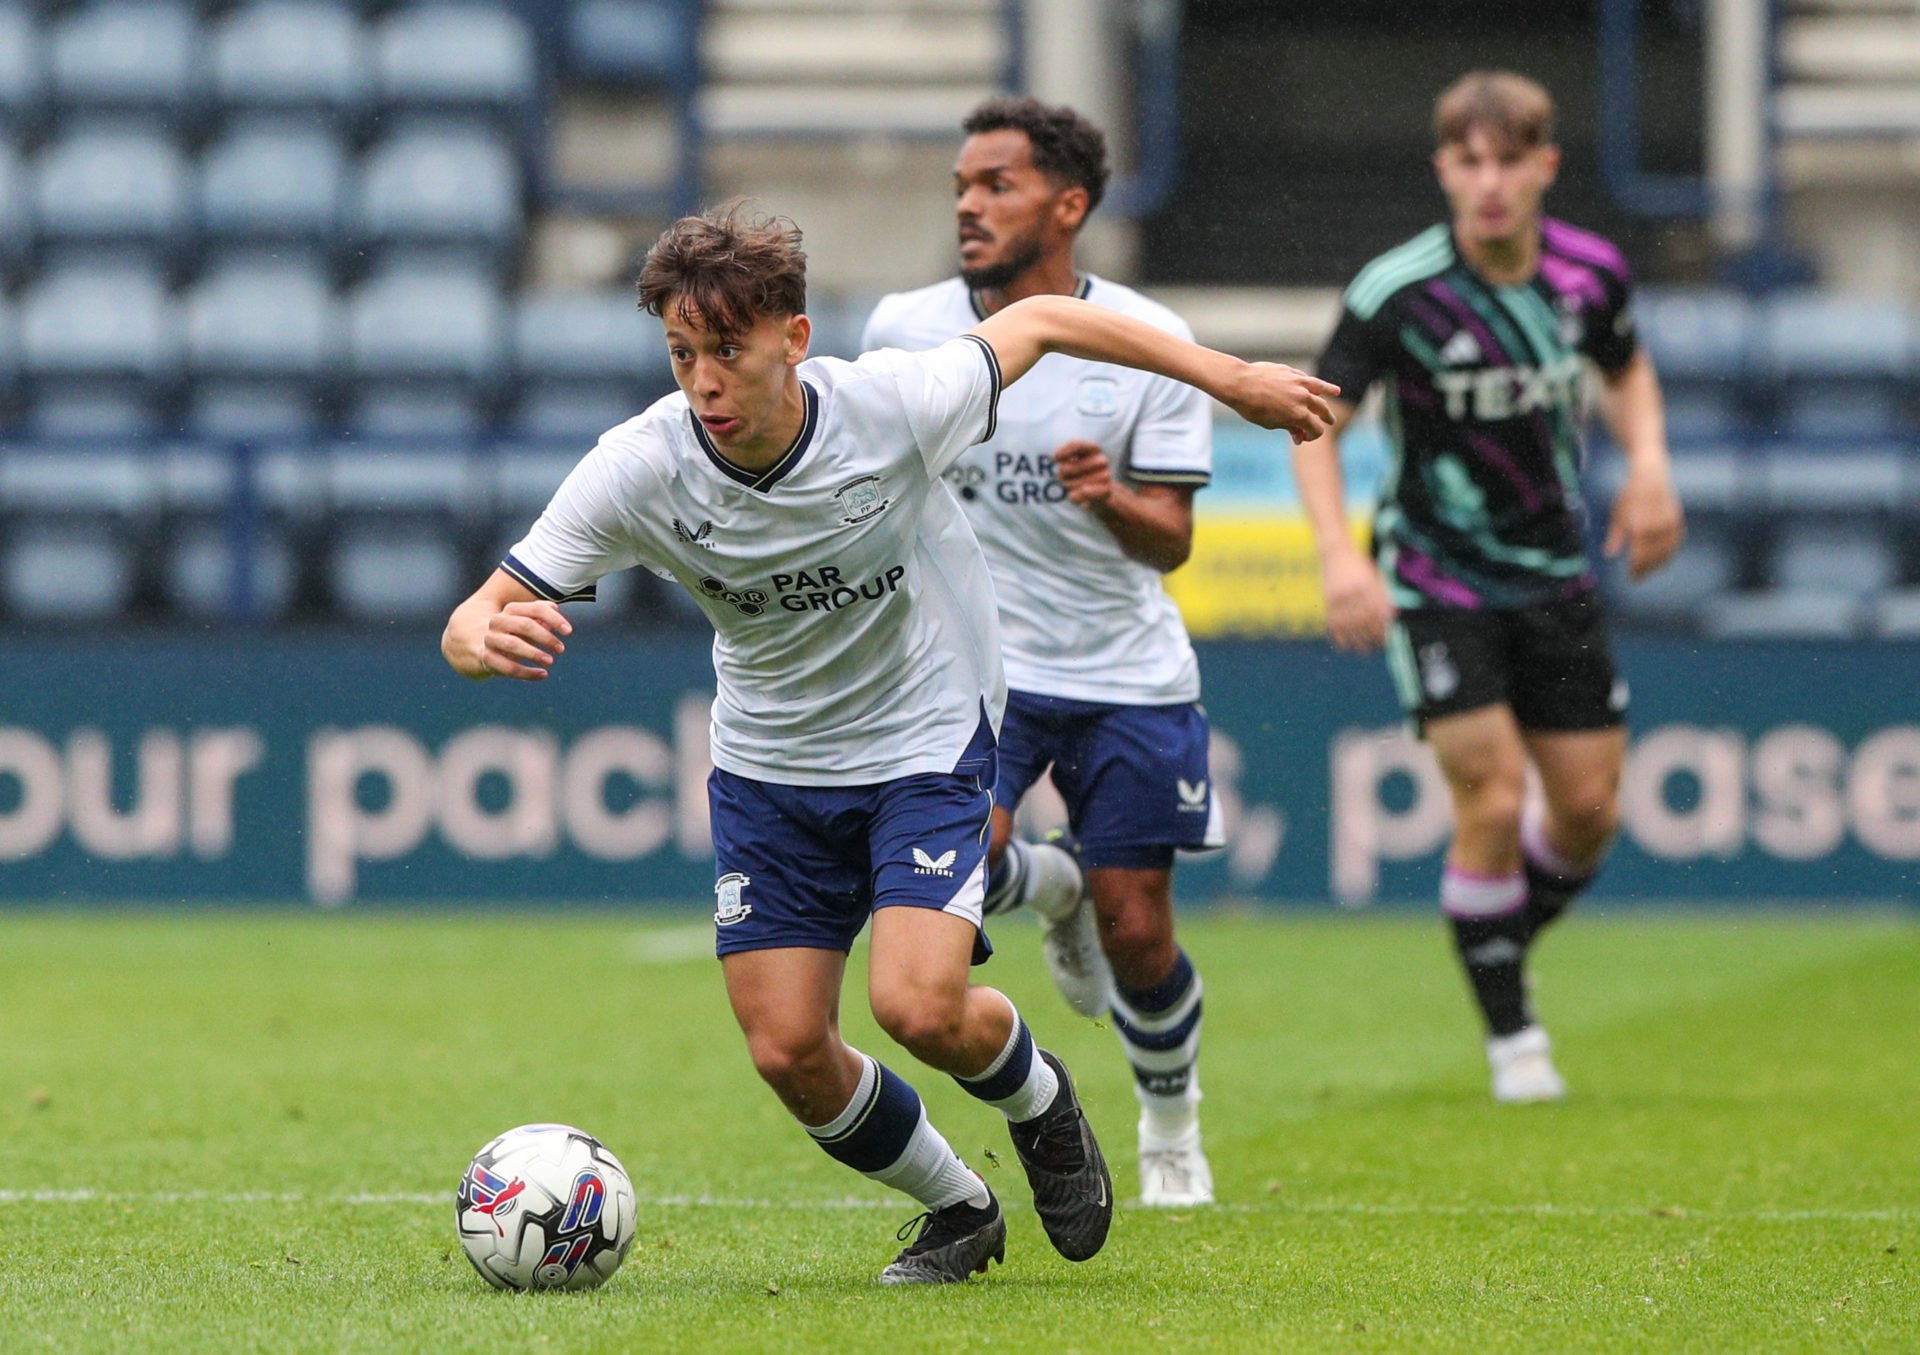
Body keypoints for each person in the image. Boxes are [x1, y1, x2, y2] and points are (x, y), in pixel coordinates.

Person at [442, 204, 1337, 1282]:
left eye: (728, 350)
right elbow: (472, 612)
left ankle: (1040, 1099)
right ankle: (959, 1205)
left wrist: (1228, 379)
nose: (705, 381)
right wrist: (480, 638)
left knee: (916, 1004)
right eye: (683, 354)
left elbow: (1047, 317)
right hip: (770, 767)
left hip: (923, 735)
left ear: (795, 339)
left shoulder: (896, 405)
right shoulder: (639, 466)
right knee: (788, 1050)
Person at [1292, 71, 1683, 1103]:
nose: (1492, 182)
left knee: (1591, 809)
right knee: (1492, 793)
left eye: (1511, 159)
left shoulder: (1590, 274)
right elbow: (1315, 423)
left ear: (1545, 165)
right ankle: (1516, 1040)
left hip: (1558, 570)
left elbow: (1627, 367)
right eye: (1471, 161)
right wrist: (1339, 555)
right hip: (1435, 575)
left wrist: (1650, 467)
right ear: (1444, 171)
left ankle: (1491, 934)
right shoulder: (1397, 292)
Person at [862, 96, 1222, 1207]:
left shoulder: (1151, 340)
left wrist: (1111, 498)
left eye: (997, 185)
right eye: (963, 185)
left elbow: (1171, 541)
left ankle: (1170, 1122)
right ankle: (1048, 882)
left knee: (1139, 927)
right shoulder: (902, 329)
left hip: (1126, 672)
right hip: (975, 676)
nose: (969, 205)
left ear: (1067, 205)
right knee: (954, 884)